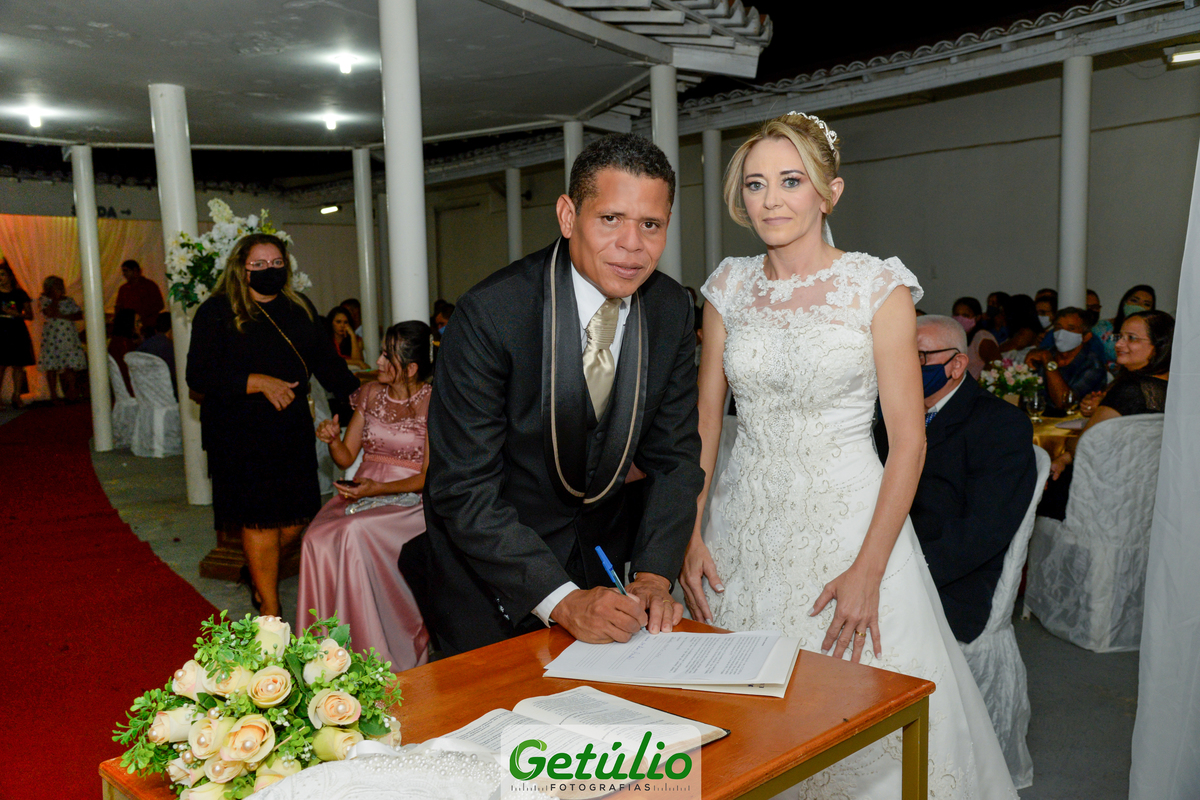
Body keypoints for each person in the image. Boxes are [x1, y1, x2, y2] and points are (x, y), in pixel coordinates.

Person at [679, 112, 1016, 798]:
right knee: (741, 717)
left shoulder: (876, 286)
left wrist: (869, 569)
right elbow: (706, 425)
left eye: (791, 181)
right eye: (755, 184)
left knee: (856, 713)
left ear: (829, 193)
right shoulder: (727, 287)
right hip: (743, 521)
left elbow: (910, 441)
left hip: (849, 523)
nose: (770, 199)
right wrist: (689, 530)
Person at [404, 133, 703, 656]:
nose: (632, 244)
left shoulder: (670, 309)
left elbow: (675, 458)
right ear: (568, 216)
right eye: (610, 218)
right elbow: (463, 486)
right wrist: (561, 600)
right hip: (490, 581)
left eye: (650, 224)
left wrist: (655, 574)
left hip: (603, 565)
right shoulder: (492, 313)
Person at [186, 233, 359, 618]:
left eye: (277, 263)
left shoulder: (299, 307)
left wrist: (361, 398)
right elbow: (198, 376)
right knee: (261, 521)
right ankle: (270, 608)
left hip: (290, 428)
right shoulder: (218, 311)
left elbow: (327, 363)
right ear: (241, 268)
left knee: (295, 521)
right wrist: (257, 382)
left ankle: (257, 571)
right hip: (239, 431)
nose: (270, 270)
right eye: (259, 264)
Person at [874, 316, 1036, 643]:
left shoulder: (1001, 424)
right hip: (886, 551)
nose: (904, 365)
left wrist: (898, 571)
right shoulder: (892, 413)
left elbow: (984, 528)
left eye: (919, 357)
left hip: (948, 577)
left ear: (957, 364)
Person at [299, 321, 434, 671]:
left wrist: (378, 489)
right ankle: (323, 650)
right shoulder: (371, 393)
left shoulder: (432, 403)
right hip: (362, 491)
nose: (378, 361)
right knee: (315, 537)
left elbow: (425, 478)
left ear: (411, 368)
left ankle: (371, 651)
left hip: (408, 500)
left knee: (352, 533)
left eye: (388, 356)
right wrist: (332, 440)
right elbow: (346, 458)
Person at [1040, 310, 1173, 520]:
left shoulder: (1129, 390)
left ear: (1160, 346)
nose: (1119, 344)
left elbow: (1085, 445)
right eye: (1119, 336)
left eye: (1131, 338)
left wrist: (1068, 447)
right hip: (1147, 498)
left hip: (1102, 497)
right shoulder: (1174, 390)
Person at [1025, 307, 1107, 415]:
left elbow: (1063, 403)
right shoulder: (1043, 353)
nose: (1062, 333)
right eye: (1058, 328)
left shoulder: (1093, 364)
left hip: (1072, 421)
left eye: (1071, 329)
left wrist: (1048, 362)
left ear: (1086, 337)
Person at [38, 275, 86, 403]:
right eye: (56, 286)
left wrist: (63, 316)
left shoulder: (69, 300)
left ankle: (72, 392)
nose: (60, 288)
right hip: (52, 336)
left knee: (70, 363)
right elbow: (49, 313)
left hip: (68, 335)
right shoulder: (44, 299)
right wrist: (55, 299)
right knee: (52, 364)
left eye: (61, 285)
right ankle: (53, 394)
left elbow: (79, 315)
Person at [1092, 284, 1155, 367]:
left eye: (1146, 304)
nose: (1139, 306)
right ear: (1124, 303)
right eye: (1134, 301)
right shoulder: (1102, 327)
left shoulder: (1152, 334)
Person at [0, 261, 35, 409]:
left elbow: (30, 315)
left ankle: (16, 396)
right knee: (1, 364)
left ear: (10, 276)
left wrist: (16, 314)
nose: (0, 278)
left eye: (2, 274)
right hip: (1, 330)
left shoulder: (19, 294)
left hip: (16, 329)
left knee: (18, 365)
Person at [952, 296, 1001, 379]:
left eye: (965, 315)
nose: (960, 319)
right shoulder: (954, 337)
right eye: (957, 315)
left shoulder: (982, 338)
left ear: (977, 317)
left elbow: (996, 365)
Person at [114, 259, 164, 337]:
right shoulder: (123, 288)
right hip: (129, 329)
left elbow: (160, 305)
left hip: (148, 328)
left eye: (126, 271)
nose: (124, 274)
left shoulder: (149, 285)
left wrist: (142, 315)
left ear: (135, 271)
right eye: (123, 271)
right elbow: (119, 307)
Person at [135, 311, 176, 393]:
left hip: (144, 391)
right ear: (172, 329)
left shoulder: (143, 347)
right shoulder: (169, 347)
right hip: (165, 393)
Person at [996, 293, 1043, 359]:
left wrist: (995, 350)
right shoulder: (1016, 331)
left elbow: (1014, 345)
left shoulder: (1028, 331)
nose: (1004, 316)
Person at [108, 308, 141, 396]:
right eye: (137, 322)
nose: (141, 325)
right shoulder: (125, 344)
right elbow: (129, 370)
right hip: (130, 389)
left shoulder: (117, 341)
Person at [326, 305, 369, 370]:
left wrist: (352, 335)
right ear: (331, 322)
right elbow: (329, 360)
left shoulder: (357, 339)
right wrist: (357, 362)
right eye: (338, 322)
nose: (342, 325)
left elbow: (358, 361)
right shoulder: (325, 339)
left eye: (345, 322)